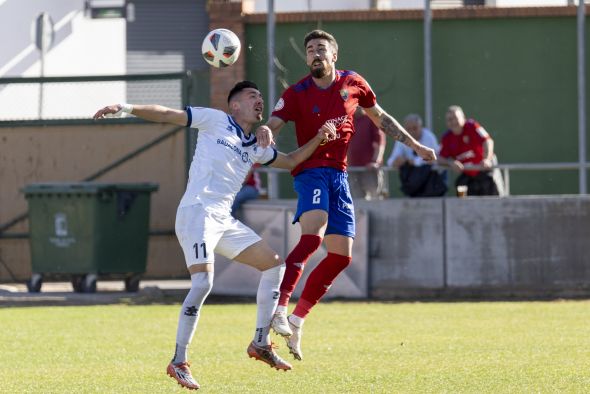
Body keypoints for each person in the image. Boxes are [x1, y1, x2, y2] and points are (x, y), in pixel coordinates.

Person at [93, 81, 336, 390]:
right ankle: (178, 361)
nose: (259, 101)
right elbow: (167, 114)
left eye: (261, 97)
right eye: (252, 97)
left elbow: (289, 161)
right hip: (196, 213)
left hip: (223, 220)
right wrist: (125, 108)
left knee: (275, 265)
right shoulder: (215, 119)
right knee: (203, 283)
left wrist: (319, 138)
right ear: (234, 105)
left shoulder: (256, 146)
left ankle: (260, 343)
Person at [255, 30, 437, 361]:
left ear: (334, 55)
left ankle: (297, 320)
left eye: (321, 49)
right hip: (310, 172)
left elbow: (381, 118)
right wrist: (266, 130)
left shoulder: (352, 83)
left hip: (340, 175)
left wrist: (415, 145)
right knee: (313, 237)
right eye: (310, 50)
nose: (314, 54)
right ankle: (280, 307)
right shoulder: (296, 92)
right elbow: (274, 124)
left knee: (341, 255)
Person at [438, 105, 501, 196]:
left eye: (455, 118)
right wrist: (450, 162)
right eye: (449, 119)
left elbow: (488, 140)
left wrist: (487, 159)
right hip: (468, 176)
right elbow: (439, 158)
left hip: (484, 171)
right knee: (461, 189)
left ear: (463, 118)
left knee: (493, 197)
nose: (453, 122)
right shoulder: (446, 138)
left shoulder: (472, 126)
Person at [387, 114, 447, 197]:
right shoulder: (401, 139)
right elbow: (390, 162)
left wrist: (413, 161)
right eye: (408, 129)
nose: (412, 132)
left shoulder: (429, 137)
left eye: (415, 128)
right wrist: (396, 161)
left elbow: (435, 159)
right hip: (413, 188)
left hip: (431, 186)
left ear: (421, 127)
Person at [347, 107, 386, 200]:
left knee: (375, 198)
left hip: (369, 169)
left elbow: (380, 142)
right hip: (353, 169)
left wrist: (376, 161)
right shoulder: (348, 120)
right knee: (358, 200)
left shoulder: (372, 119)